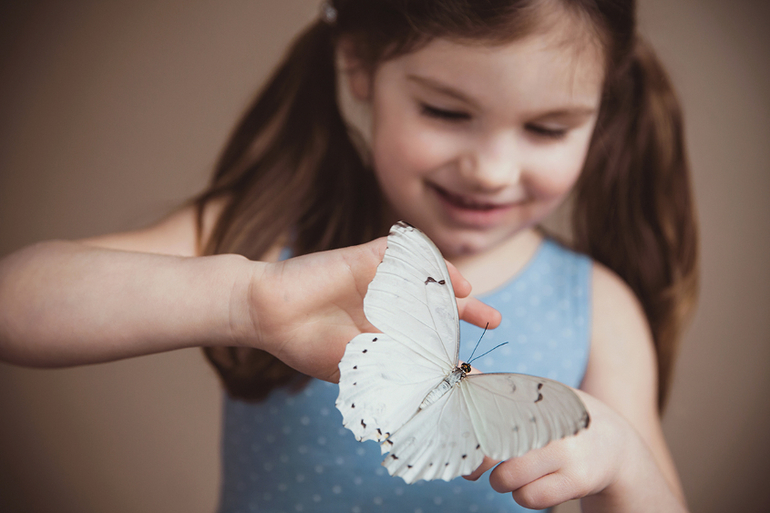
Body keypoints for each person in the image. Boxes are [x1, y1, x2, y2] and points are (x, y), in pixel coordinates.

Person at [0, 0, 698, 511]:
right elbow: (14, 303)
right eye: (446, 112)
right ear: (360, 65)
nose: (491, 169)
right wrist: (244, 300)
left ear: (601, 112)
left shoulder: (599, 306)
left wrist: (625, 461)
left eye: (547, 128)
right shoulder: (272, 240)